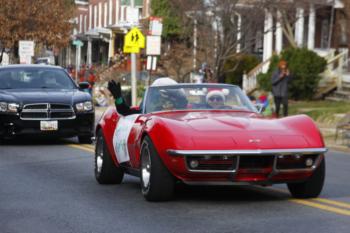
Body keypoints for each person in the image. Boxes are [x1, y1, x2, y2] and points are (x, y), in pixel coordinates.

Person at [108, 77, 182, 116]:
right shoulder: (148, 111)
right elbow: (125, 111)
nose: (167, 104)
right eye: (165, 100)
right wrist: (118, 98)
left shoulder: (185, 110)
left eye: (170, 102)